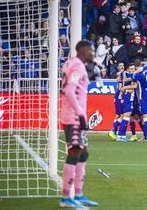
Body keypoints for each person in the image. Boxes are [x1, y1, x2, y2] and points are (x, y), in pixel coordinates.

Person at [59, 40, 98, 208]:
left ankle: (79, 193)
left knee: (83, 153)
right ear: (83, 51)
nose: (93, 53)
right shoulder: (77, 65)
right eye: (91, 50)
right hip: (74, 116)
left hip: (74, 114)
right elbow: (69, 91)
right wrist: (81, 114)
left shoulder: (72, 63)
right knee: (74, 153)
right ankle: (66, 198)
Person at [115, 63, 137, 141]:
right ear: (127, 69)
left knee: (124, 116)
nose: (133, 70)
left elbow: (120, 86)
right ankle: (121, 135)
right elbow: (135, 86)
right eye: (131, 69)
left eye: (134, 69)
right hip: (128, 98)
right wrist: (128, 89)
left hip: (124, 98)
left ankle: (120, 134)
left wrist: (125, 88)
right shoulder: (131, 76)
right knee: (126, 117)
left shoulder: (122, 75)